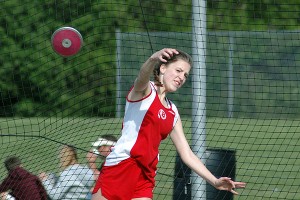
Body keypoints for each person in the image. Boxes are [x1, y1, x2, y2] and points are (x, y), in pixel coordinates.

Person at [92, 48, 246, 200]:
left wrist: (215, 181)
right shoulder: (145, 91)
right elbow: (141, 77)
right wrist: (153, 59)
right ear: (163, 68)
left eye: (185, 75)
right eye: (178, 70)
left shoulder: (173, 111)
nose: (182, 77)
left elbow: (187, 153)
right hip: (122, 166)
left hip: (146, 175)